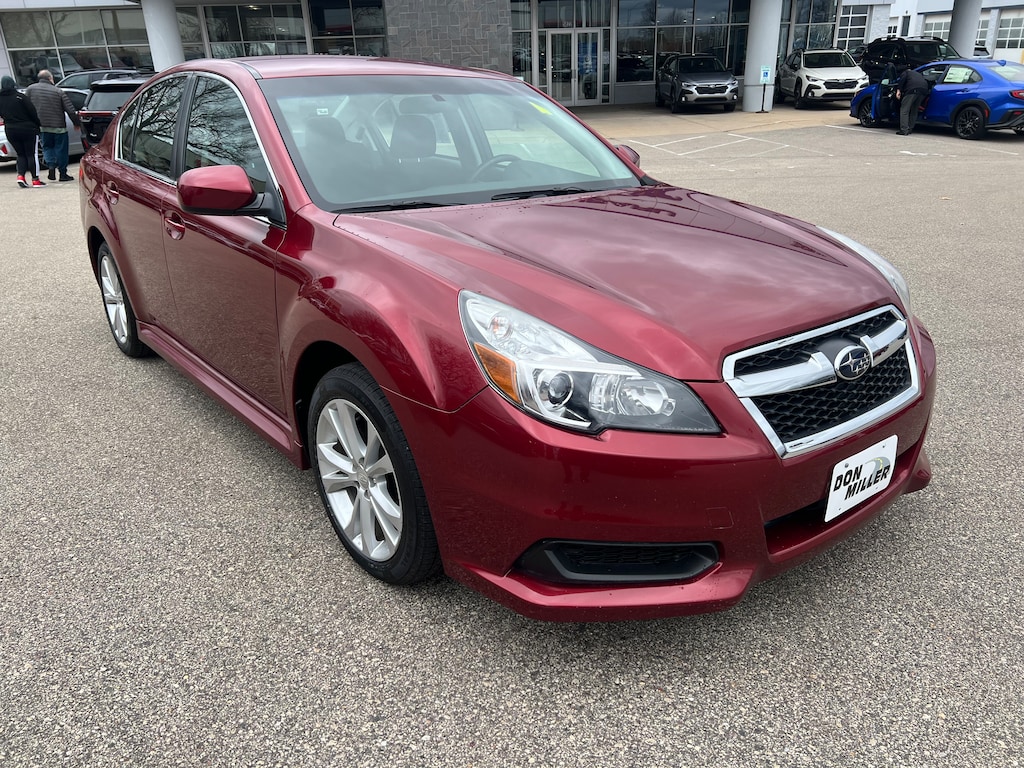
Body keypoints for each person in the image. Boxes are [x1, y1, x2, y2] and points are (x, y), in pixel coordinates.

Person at [25, 69, 79, 181]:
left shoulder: (30, 90)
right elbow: (70, 110)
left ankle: (50, 165)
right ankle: (63, 174)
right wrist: (76, 123)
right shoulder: (58, 91)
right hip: (59, 127)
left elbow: (26, 107)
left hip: (42, 126)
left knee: (47, 147)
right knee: (61, 149)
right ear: (50, 78)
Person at [0, 75, 45, 187]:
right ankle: (35, 179)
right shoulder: (20, 97)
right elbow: (32, 112)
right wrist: (38, 124)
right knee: (31, 154)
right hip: (27, 128)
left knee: (20, 154)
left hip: (10, 129)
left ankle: (21, 176)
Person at [895, 66, 929, 136]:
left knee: (904, 110)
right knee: (914, 110)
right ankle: (910, 128)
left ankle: (904, 130)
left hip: (912, 90)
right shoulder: (917, 73)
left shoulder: (905, 73)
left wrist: (898, 90)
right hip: (923, 91)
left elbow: (902, 81)